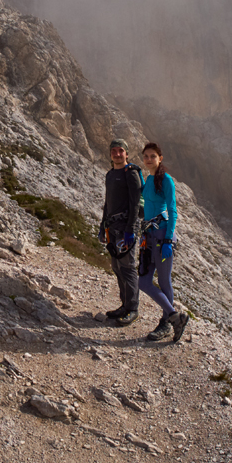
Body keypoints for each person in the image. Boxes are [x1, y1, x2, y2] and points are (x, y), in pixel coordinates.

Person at [137, 142, 188, 342]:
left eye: (152, 156)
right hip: (149, 236)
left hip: (162, 236)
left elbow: (173, 210)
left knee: (164, 280)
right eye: (146, 156)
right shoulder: (149, 179)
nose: (149, 159)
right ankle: (175, 316)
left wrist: (168, 239)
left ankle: (167, 321)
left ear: (160, 158)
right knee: (144, 281)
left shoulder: (166, 180)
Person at [98, 138, 143, 326]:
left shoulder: (130, 173)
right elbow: (108, 203)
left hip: (125, 228)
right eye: (114, 151)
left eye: (120, 151)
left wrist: (130, 230)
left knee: (128, 267)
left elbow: (134, 204)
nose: (117, 154)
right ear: (110, 154)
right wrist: (102, 226)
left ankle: (132, 309)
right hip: (112, 228)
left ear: (126, 153)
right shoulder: (110, 175)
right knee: (117, 267)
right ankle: (124, 305)